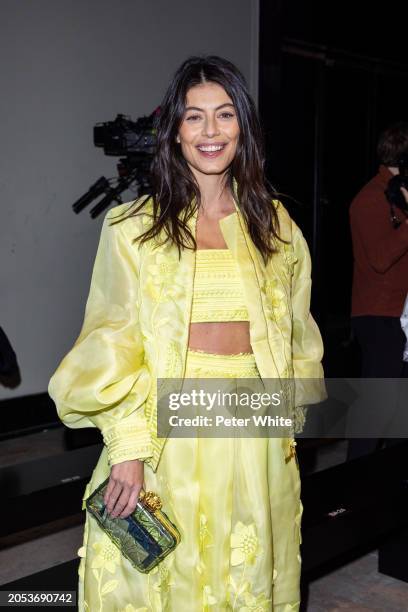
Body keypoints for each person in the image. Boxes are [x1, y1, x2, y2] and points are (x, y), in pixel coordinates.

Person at [48, 55, 324, 611]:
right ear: (174, 131)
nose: (210, 131)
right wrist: (127, 446)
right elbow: (112, 339)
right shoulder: (133, 229)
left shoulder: (277, 228)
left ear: (243, 127)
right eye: (194, 117)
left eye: (224, 115)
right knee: (161, 580)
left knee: (243, 576)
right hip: (163, 430)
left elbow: (298, 336)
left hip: (254, 431)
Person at [348, 122, 408, 460]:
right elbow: (381, 259)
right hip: (380, 317)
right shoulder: (370, 199)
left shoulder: (399, 194)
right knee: (376, 408)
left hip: (401, 315)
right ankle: (353, 484)